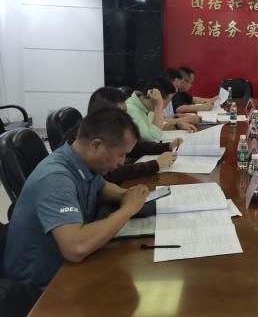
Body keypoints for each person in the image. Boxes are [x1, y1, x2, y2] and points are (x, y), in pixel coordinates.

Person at [4, 108, 151, 289]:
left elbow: (101, 187)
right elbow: (76, 248)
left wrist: (126, 195)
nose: (122, 162)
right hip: (40, 288)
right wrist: (127, 209)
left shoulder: (79, 160)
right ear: (96, 145)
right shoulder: (56, 178)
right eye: (121, 154)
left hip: (66, 269)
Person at [61, 87, 181, 184]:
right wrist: (155, 165)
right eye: (122, 113)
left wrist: (167, 146)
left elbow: (133, 148)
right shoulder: (81, 138)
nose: (126, 118)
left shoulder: (105, 129)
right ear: (103, 113)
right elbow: (112, 173)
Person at [126, 77, 196, 142]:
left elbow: (158, 125)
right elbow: (153, 138)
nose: (165, 107)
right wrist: (158, 106)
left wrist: (177, 125)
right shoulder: (130, 109)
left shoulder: (148, 107)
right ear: (154, 97)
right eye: (167, 102)